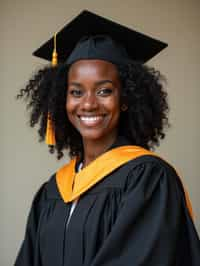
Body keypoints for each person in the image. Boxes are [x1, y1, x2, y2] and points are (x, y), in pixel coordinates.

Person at [14, 10, 200, 266]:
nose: (88, 104)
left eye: (104, 91)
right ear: (62, 100)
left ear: (125, 99)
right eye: (76, 92)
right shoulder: (52, 191)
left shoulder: (148, 179)